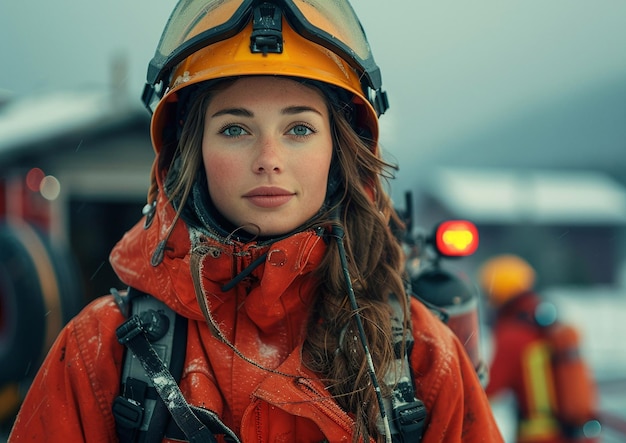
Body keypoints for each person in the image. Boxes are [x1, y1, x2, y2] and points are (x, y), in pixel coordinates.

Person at [9, 1, 503, 442]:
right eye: (235, 128)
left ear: (341, 149)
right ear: (191, 152)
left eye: (299, 128)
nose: (268, 158)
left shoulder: (420, 361)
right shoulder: (101, 356)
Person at [479, 254, 600, 443]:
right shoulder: (543, 327)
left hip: (541, 438)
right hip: (575, 435)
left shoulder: (512, 335)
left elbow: (486, 389)